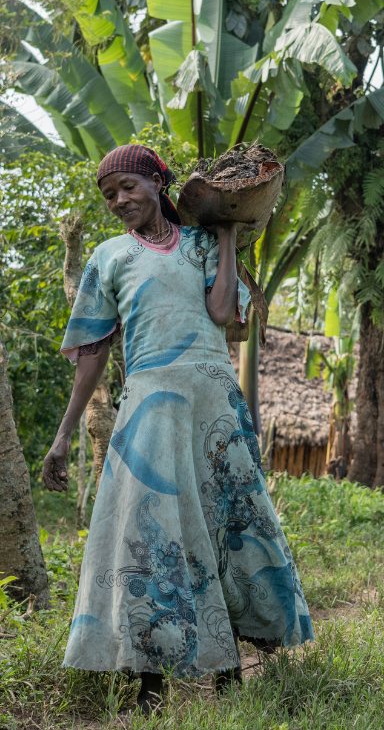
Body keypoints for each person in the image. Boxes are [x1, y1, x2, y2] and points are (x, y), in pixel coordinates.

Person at [42, 145, 313, 715]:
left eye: (129, 188)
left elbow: (225, 317)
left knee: (227, 525)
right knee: (151, 536)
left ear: (156, 183)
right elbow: (92, 352)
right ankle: (150, 681)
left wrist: (228, 235)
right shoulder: (109, 256)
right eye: (110, 194)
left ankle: (230, 669)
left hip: (214, 405)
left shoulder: (200, 244)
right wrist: (63, 435)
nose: (119, 201)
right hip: (151, 409)